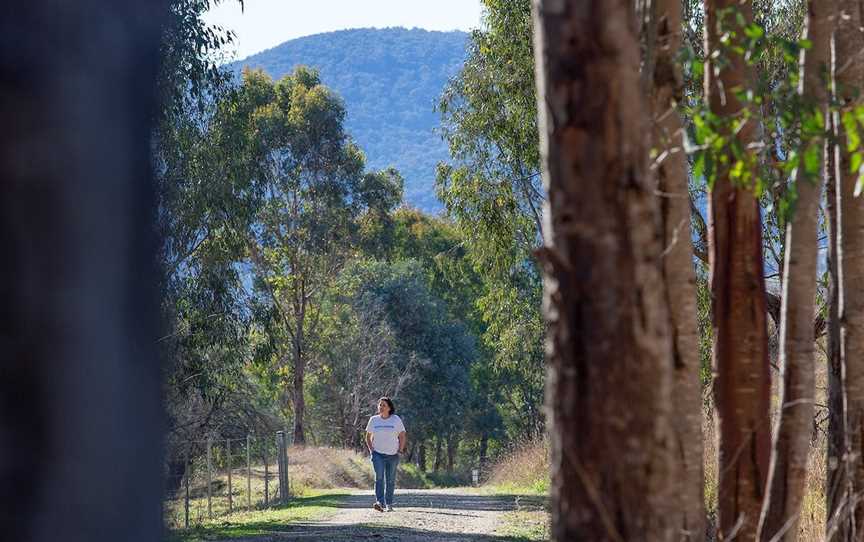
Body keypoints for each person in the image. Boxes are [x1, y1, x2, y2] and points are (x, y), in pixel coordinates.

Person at [365, 396, 406, 512]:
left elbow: (402, 435)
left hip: (393, 455)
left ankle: (389, 503)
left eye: (383, 405)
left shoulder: (396, 419)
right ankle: (380, 502)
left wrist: (401, 449)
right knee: (379, 477)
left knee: (390, 480)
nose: (381, 407)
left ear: (389, 408)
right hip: (377, 454)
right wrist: (371, 450)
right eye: (379, 405)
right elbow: (368, 437)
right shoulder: (374, 420)